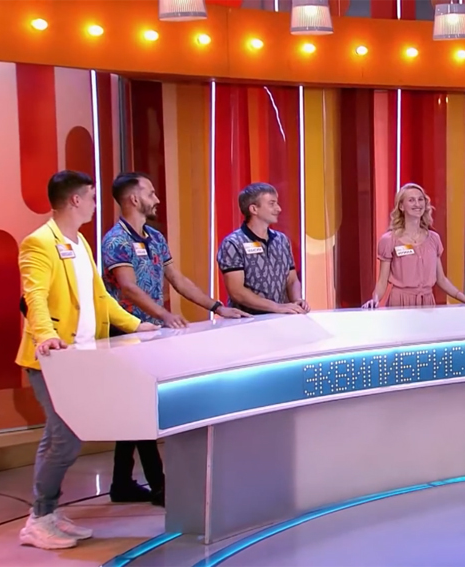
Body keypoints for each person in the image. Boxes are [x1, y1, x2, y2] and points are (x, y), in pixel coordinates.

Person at [15, 170, 159, 550]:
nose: (97, 205)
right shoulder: (39, 243)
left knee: (62, 435)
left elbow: (101, 298)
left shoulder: (80, 242)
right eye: (92, 198)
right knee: (65, 436)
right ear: (75, 200)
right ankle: (38, 518)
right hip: (51, 358)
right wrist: (45, 334)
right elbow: (34, 296)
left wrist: (135, 324)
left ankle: (46, 512)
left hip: (81, 358)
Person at [101, 172, 249, 507]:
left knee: (135, 408)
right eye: (151, 193)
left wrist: (216, 307)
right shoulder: (116, 241)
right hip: (126, 333)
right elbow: (128, 288)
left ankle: (121, 483)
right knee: (139, 408)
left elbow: (177, 279)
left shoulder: (154, 237)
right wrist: (165, 315)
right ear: (134, 199)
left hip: (153, 334)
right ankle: (160, 485)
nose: (157, 199)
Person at [363, 183, 465, 308]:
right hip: (400, 302)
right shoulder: (389, 240)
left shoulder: (433, 239)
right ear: (401, 206)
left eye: (420, 199)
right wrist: (375, 300)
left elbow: (441, 279)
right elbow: (382, 281)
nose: (417, 204)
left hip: (427, 303)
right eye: (411, 200)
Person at [216, 182, 310, 314]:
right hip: (248, 321)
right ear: (254, 209)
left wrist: (297, 300)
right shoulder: (233, 243)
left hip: (281, 318)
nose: (279, 209)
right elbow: (237, 292)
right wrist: (276, 307)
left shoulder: (282, 240)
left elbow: (292, 280)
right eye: (272, 204)